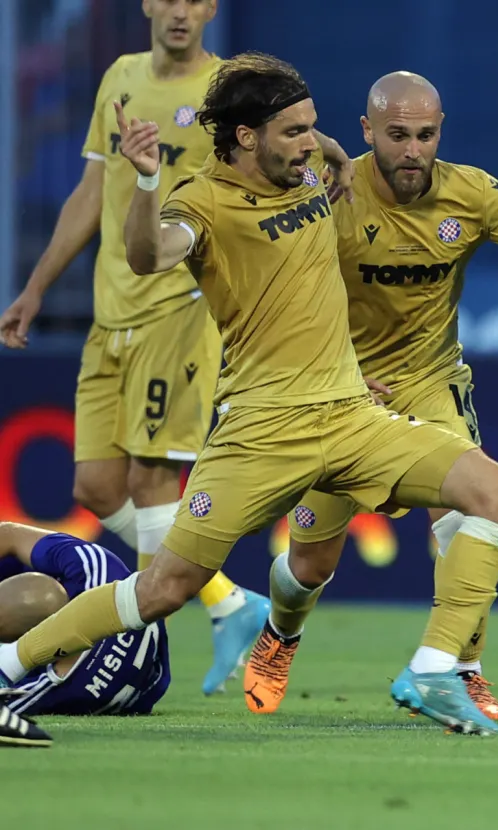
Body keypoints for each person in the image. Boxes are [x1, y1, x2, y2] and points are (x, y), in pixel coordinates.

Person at [0, 52, 498, 737]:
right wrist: (149, 179)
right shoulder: (202, 201)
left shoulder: (308, 170)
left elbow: (329, 154)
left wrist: (331, 155)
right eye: (295, 131)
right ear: (246, 137)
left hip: (350, 415)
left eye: (312, 129)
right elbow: (149, 252)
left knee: (497, 495)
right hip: (260, 432)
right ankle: (13, 660)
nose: (310, 142)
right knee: (164, 588)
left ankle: (433, 667)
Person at [244, 71, 498, 719]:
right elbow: (267, 289)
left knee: (472, 516)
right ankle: (280, 634)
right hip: (338, 391)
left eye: (425, 135)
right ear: (367, 132)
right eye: (397, 136)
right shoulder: (325, 192)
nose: (413, 150)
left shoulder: (473, 194)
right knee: (309, 563)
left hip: (430, 382)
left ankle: (457, 669)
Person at [0, 0, 268, 696]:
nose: (180, 12)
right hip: (109, 311)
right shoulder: (119, 76)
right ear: (148, 4)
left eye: (195, 0)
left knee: (153, 479)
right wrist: (34, 289)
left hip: (178, 308)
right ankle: (229, 603)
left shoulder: (230, 89)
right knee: (93, 485)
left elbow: (268, 175)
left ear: (211, 8)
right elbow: (93, 191)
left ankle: (143, 648)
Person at [0, 522, 169, 717]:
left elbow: (9, 534)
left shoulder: (64, 684)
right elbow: (9, 535)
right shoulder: (96, 567)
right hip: (143, 678)